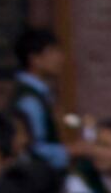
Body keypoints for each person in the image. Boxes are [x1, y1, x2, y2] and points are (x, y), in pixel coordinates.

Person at [4, 28, 67, 165]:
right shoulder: (29, 99)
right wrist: (71, 151)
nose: (60, 58)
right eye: (52, 51)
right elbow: (33, 148)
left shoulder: (42, 94)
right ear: (35, 59)